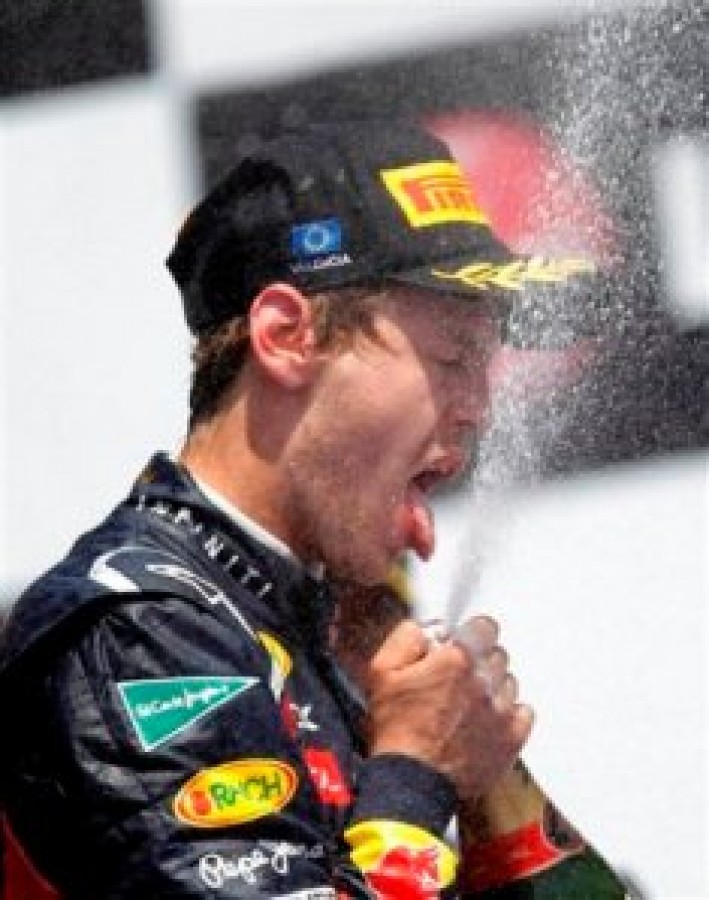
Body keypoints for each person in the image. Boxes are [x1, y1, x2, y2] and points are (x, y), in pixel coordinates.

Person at [0, 121, 594, 899]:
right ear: (286, 337)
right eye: (452, 357)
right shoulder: (139, 630)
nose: (478, 407)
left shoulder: (326, 614)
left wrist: (481, 779)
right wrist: (416, 771)